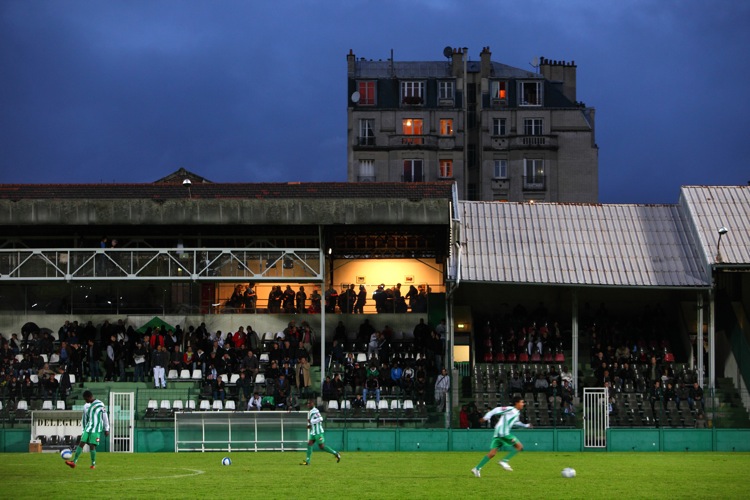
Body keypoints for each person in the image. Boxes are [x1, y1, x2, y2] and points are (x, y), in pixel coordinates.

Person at [471, 396, 532, 477]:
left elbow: (516, 422)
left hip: (498, 434)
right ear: (516, 403)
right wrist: (486, 417)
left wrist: (525, 425)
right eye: (521, 402)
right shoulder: (510, 409)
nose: (523, 404)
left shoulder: (516, 413)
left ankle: (477, 468)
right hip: (503, 433)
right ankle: (504, 461)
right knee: (519, 447)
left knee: (492, 453)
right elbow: (496, 410)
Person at [65, 390, 110, 469]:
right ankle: (74, 462)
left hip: (96, 428)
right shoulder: (86, 406)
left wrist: (106, 428)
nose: (85, 401)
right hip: (88, 428)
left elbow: (105, 416)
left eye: (86, 399)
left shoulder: (100, 404)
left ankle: (93, 464)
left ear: (90, 397)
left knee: (92, 446)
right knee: (81, 442)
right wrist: (83, 429)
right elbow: (85, 418)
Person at [300, 398, 341, 465]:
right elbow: (315, 422)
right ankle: (307, 461)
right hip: (313, 432)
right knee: (309, 444)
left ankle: (336, 453)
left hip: (318, 433)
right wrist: (310, 426)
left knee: (322, 447)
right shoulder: (311, 411)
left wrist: (311, 421)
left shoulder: (315, 411)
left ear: (313, 404)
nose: (308, 405)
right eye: (307, 403)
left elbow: (320, 419)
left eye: (309, 403)